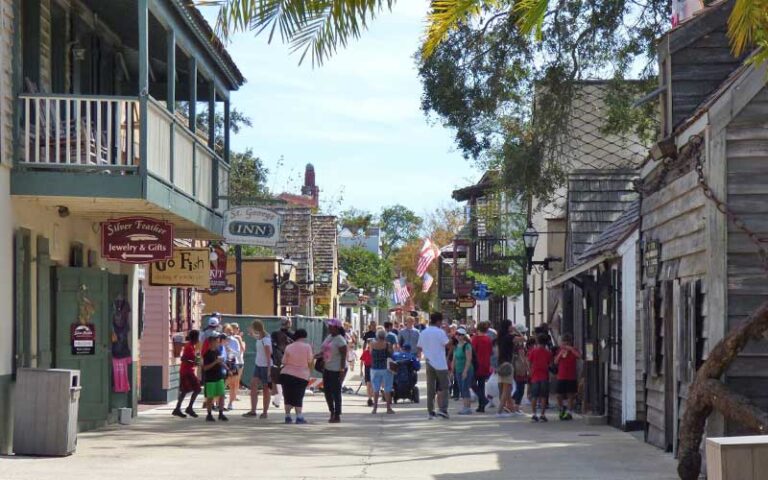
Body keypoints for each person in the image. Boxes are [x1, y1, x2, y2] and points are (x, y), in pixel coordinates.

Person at [416, 312, 450, 420]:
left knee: (430, 388)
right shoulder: (440, 332)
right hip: (440, 363)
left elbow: (419, 348)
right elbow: (447, 344)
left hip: (429, 361)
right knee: (444, 387)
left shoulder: (424, 332)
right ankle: (443, 409)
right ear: (439, 321)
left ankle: (430, 411)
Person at [280, 328, 314, 424]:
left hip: (287, 374)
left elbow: (283, 361)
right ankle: (299, 417)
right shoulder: (307, 347)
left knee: (288, 395)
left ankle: (287, 416)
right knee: (298, 395)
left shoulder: (289, 347)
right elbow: (310, 360)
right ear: (304, 337)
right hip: (301, 375)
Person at [243, 320, 272, 419]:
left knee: (265, 389)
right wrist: (251, 334)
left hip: (265, 366)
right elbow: (257, 338)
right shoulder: (260, 337)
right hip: (258, 365)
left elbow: (269, 355)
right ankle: (253, 410)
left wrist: (269, 369)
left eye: (252, 327)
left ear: (256, 328)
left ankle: (265, 412)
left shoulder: (266, 340)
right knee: (253, 384)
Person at [321, 319, 348, 423]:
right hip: (327, 368)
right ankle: (331, 411)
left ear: (337, 328)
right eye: (329, 326)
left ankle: (337, 414)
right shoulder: (329, 337)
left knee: (336, 392)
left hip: (336, 369)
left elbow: (343, 356)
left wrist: (341, 370)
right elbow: (324, 350)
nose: (329, 328)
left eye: (331, 326)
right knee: (327, 392)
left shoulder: (340, 340)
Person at [172, 329, 202, 418]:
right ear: (195, 338)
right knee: (197, 389)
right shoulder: (189, 346)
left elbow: (195, 359)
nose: (199, 339)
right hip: (187, 371)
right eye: (198, 337)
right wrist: (194, 360)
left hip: (188, 370)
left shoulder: (192, 346)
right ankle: (187, 408)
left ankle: (178, 408)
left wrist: (196, 359)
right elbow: (183, 359)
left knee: (185, 390)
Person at [203, 333, 229, 422]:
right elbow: (205, 368)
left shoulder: (217, 351)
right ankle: (209, 414)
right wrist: (215, 362)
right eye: (216, 341)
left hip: (219, 377)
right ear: (211, 343)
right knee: (210, 397)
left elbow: (219, 361)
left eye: (217, 341)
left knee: (222, 395)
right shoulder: (206, 354)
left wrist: (227, 367)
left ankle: (221, 413)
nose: (217, 343)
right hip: (210, 379)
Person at [528, 333, 554, 422]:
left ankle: (534, 414)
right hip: (544, 376)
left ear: (537, 341)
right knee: (543, 397)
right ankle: (542, 414)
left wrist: (530, 371)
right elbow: (550, 364)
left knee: (534, 396)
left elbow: (529, 362)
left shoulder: (533, 351)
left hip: (535, 376)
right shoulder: (548, 353)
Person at [555, 333, 581, 420]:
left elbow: (579, 356)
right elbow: (555, 362)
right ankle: (562, 409)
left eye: (567, 343)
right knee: (559, 395)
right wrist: (560, 354)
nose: (565, 345)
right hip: (561, 376)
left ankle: (569, 412)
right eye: (564, 343)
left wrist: (571, 349)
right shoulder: (560, 350)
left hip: (571, 376)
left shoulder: (573, 350)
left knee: (571, 395)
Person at [370, 328, 396, 415]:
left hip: (374, 368)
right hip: (386, 368)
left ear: (377, 336)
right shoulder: (387, 344)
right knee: (387, 388)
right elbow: (392, 354)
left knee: (376, 389)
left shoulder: (372, 344)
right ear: (385, 336)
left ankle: (374, 409)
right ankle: (388, 408)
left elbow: (370, 354)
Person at [271, 318, 295, 408]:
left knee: (279, 381)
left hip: (278, 361)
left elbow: (273, 347)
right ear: (289, 323)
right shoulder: (293, 335)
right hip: (290, 361)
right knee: (288, 382)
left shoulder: (274, 334)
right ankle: (288, 401)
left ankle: (278, 401)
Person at [471, 321, 493, 413]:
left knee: (471, 383)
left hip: (476, 364)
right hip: (486, 364)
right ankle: (481, 406)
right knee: (481, 385)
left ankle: (483, 399)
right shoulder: (488, 339)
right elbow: (491, 352)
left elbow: (473, 352)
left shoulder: (476, 339)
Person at [496, 319, 516, 418]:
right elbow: (523, 339)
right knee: (506, 388)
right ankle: (499, 411)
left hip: (501, 363)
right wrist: (516, 330)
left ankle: (512, 409)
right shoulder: (509, 337)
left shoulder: (500, 337)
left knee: (507, 388)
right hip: (508, 364)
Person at [453, 328, 475, 415]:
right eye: (457, 334)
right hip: (458, 370)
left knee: (465, 387)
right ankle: (465, 406)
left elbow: (469, 359)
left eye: (460, 335)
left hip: (467, 370)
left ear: (463, 336)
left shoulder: (467, 346)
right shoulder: (456, 346)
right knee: (462, 388)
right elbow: (454, 359)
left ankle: (467, 407)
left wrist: (465, 371)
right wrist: (451, 371)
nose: (458, 336)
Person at [223, 323, 244, 411]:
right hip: (223, 364)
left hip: (232, 363)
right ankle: (219, 403)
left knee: (233, 384)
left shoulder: (235, 340)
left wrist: (229, 351)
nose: (229, 333)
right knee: (223, 384)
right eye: (227, 331)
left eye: (230, 331)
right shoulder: (221, 340)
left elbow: (238, 353)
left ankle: (230, 403)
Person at [511, 331, 530, 415]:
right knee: (520, 389)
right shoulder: (520, 348)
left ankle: (512, 404)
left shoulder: (513, 348)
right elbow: (523, 360)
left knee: (518, 388)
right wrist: (528, 369)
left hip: (515, 369)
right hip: (520, 370)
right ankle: (516, 406)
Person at [360, 339, 374, 407]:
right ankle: (369, 398)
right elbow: (362, 361)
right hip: (367, 368)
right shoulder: (365, 352)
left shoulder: (375, 352)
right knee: (368, 384)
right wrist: (361, 370)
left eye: (371, 343)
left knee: (373, 384)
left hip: (374, 368)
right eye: (369, 343)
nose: (370, 344)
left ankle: (372, 398)